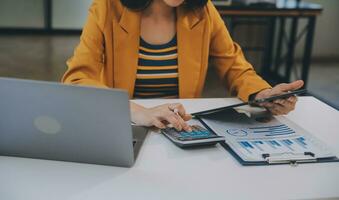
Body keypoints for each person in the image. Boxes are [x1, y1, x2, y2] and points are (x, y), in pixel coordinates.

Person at [62, 0, 304, 132]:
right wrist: (137, 112)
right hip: (125, 126)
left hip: (179, 128)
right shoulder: (107, 7)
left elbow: (234, 66)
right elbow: (77, 78)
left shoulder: (203, 10)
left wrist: (263, 95)